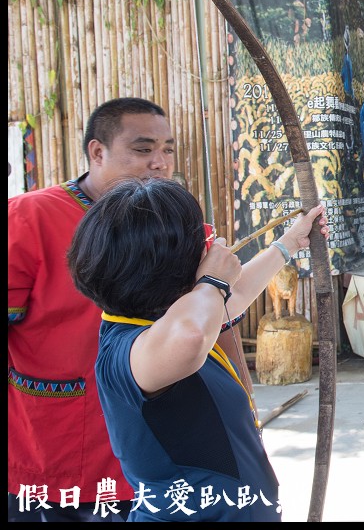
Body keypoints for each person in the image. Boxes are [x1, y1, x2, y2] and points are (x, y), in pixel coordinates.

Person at [7, 98, 252, 521]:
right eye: (142, 149)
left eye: (168, 149)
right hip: (54, 451)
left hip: (167, 459)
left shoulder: (182, 226)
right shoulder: (30, 218)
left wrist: (247, 411)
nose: (159, 162)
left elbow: (218, 322)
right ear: (97, 152)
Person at [65, 177, 326, 521]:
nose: (208, 245)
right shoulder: (128, 350)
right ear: (167, 264)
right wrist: (213, 281)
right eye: (200, 240)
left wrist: (289, 243)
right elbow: (191, 336)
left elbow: (236, 295)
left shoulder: (163, 316)